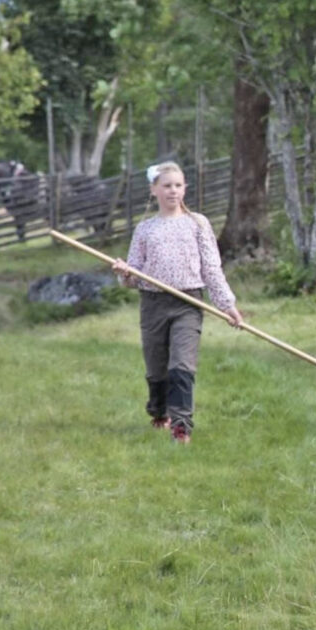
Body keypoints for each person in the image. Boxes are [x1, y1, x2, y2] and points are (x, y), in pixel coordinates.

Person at [111, 162, 242, 444]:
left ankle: (181, 426)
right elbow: (133, 276)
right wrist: (125, 273)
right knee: (156, 368)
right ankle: (159, 412)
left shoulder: (198, 224)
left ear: (185, 189)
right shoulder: (145, 229)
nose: (173, 191)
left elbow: (211, 268)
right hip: (153, 304)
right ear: (154, 190)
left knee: (181, 365)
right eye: (167, 185)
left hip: (188, 303)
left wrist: (226, 304)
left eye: (178, 185)